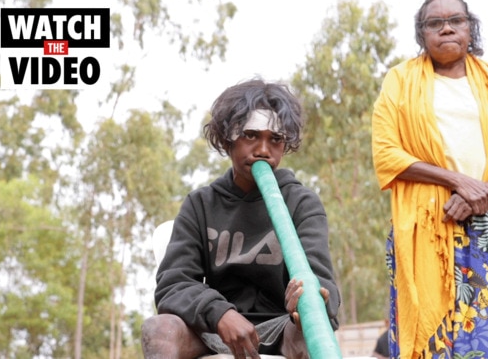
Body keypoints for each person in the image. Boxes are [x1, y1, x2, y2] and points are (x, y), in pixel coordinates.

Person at [371, 0, 488, 358]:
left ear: (470, 27)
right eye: (434, 23)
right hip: (427, 231)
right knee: (434, 341)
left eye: (456, 20)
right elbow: (387, 153)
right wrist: (456, 181)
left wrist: (478, 194)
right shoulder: (399, 81)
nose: (446, 27)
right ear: (422, 34)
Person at [141, 78, 341, 359]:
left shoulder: (302, 203)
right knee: (159, 329)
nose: (263, 150)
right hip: (215, 329)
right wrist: (220, 313)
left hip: (283, 328)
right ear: (228, 139)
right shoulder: (200, 204)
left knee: (311, 334)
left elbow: (323, 282)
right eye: (250, 135)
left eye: (275, 139)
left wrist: (310, 302)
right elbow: (172, 285)